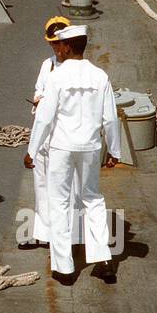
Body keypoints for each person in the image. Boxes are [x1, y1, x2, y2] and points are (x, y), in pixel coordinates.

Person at [25, 25, 120, 282]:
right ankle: (103, 258)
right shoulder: (100, 76)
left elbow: (44, 119)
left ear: (67, 47)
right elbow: (110, 118)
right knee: (93, 199)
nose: (59, 48)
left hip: (62, 148)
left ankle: (65, 268)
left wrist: (31, 150)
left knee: (59, 202)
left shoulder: (57, 77)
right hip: (90, 147)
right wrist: (115, 149)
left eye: (60, 44)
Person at [26, 15, 76, 248]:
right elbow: (39, 89)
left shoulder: (77, 69)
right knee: (42, 183)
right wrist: (39, 99)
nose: (56, 47)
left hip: (64, 135)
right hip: (44, 133)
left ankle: (66, 233)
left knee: (66, 186)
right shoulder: (47, 65)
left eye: (59, 42)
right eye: (52, 43)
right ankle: (43, 233)